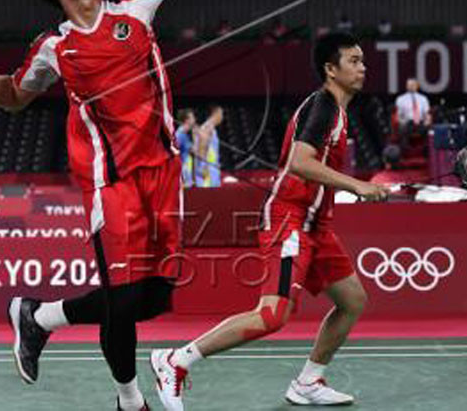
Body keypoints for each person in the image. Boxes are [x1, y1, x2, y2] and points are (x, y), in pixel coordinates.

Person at [0, 0, 314, 411]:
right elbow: (11, 97)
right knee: (120, 297)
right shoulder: (54, 46)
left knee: (153, 300)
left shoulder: (135, 3)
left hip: (164, 173)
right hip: (110, 181)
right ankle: (129, 400)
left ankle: (38, 315)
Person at [150, 32, 390, 409]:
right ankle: (176, 360)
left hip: (316, 226)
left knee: (352, 300)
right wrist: (357, 186)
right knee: (273, 314)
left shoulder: (339, 112)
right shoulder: (322, 107)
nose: (363, 67)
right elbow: (299, 161)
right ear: (331, 69)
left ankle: (308, 382)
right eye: (354, 61)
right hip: (288, 219)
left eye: (363, 60)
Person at [394, 77, 431, 154]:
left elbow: (427, 114)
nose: (411, 86)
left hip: (420, 122)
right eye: (409, 85)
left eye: (413, 85)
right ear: (406, 86)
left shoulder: (423, 99)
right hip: (408, 123)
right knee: (402, 128)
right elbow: (399, 115)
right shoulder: (400, 99)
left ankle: (426, 151)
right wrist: (402, 122)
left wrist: (427, 121)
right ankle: (405, 151)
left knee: (429, 129)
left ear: (417, 86)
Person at [194, 105, 223, 188]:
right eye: (221, 113)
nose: (222, 117)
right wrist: (202, 166)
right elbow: (202, 146)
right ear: (216, 113)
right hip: (207, 172)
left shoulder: (211, 128)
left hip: (212, 169)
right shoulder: (207, 127)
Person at [175, 108, 197, 188]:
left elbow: (193, 151)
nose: (195, 120)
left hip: (187, 172)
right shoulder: (179, 135)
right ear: (187, 120)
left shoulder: (186, 135)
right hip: (183, 173)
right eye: (192, 117)